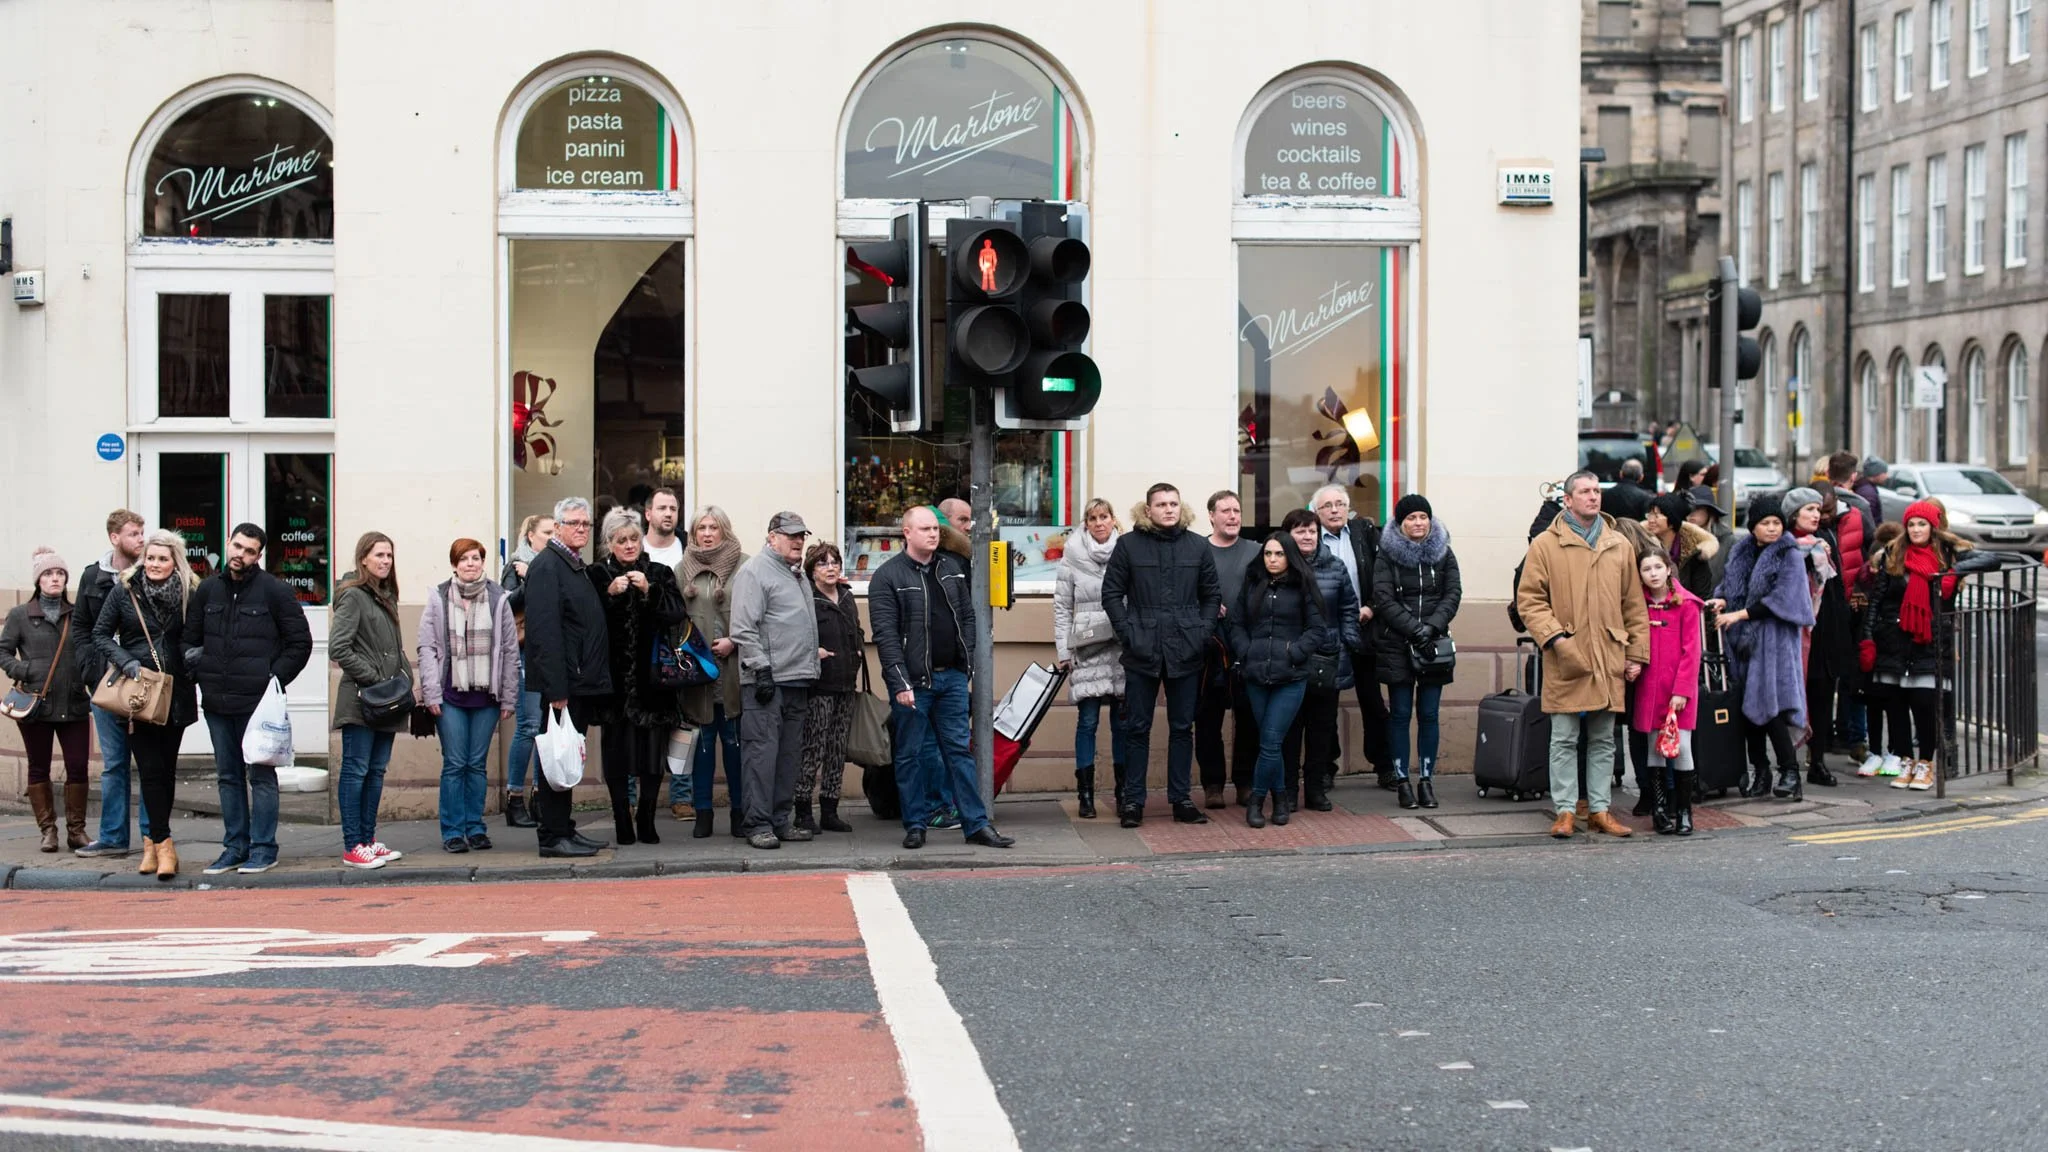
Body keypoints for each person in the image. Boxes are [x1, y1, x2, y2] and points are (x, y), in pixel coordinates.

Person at [869, 505, 1012, 849]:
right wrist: (900, 683)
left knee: (959, 753)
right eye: (924, 529)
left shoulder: (950, 569)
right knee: (911, 755)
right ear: (907, 532)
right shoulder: (888, 576)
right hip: (914, 684)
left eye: (935, 528)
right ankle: (916, 824)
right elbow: (886, 637)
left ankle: (975, 825)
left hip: (951, 679)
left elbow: (967, 617)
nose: (933, 534)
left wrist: (968, 667)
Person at [1515, 470, 1648, 839]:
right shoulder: (1545, 544)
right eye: (1585, 491)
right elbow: (1529, 600)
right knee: (1564, 739)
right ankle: (1565, 811)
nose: (1593, 496)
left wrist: (1636, 654)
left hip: (1608, 655)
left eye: (1596, 491)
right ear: (1568, 500)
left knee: (1605, 739)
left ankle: (1601, 810)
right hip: (1566, 655)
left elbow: (1634, 605)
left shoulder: (1619, 544)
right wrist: (1556, 639)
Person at [183, 523, 313, 875]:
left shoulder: (275, 591)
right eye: (237, 546)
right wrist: (200, 670)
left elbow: (300, 643)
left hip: (258, 704)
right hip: (217, 701)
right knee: (227, 777)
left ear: (259, 555)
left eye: (249, 550)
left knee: (261, 776)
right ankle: (234, 848)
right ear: (227, 543)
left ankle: (264, 848)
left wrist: (273, 678)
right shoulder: (207, 590)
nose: (240, 554)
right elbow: (188, 640)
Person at [1102, 483, 1222, 827]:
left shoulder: (1197, 546)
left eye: (1174, 503)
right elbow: (1111, 594)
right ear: (1148, 509)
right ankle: (1133, 801)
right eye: (1161, 504)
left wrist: (1201, 633)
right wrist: (1128, 633)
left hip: (1186, 649)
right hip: (1142, 649)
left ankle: (1181, 799)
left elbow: (1211, 595)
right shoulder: (1128, 545)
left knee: (1182, 727)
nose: (1169, 509)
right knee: (1137, 728)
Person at [91, 530, 199, 880]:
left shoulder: (190, 590)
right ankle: (165, 844)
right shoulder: (125, 590)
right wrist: (126, 661)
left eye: (162, 559)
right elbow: (100, 633)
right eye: (149, 558)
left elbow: (196, 635)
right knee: (150, 770)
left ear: (175, 561)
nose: (154, 564)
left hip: (176, 692)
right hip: (137, 693)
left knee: (166, 771)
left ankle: (153, 844)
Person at [1864, 500, 1985, 791]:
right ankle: (1906, 761)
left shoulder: (1947, 554)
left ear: (1933, 526)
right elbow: (1877, 601)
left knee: (1923, 704)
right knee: (1895, 707)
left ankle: (1925, 764)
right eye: (1912, 524)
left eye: (1922, 524)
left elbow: (1989, 559)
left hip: (1929, 642)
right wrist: (1867, 637)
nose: (1916, 529)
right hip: (1893, 641)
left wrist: (1950, 572)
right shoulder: (1894, 553)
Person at [521, 497, 613, 858]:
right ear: (556, 527)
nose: (581, 529)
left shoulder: (573, 564)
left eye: (585, 524)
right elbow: (544, 632)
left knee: (567, 756)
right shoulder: (548, 566)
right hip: (564, 685)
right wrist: (556, 688)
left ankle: (564, 829)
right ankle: (553, 835)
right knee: (555, 759)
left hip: (579, 681)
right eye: (573, 522)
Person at [1708, 494, 1816, 801]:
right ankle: (1761, 771)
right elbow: (1731, 585)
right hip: (1741, 641)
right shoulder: (1742, 551)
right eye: (1765, 523)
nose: (1772, 529)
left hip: (1774, 642)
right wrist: (1722, 599)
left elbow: (1786, 599)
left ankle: (1790, 773)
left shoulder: (1789, 554)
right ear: (1752, 526)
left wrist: (1739, 614)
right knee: (1746, 711)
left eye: (1776, 523)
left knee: (1771, 709)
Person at [590, 509, 686, 846]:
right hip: (613, 685)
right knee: (616, 756)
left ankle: (646, 819)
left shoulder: (658, 572)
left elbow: (677, 614)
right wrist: (610, 594)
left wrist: (650, 591)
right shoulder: (597, 574)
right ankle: (621, 820)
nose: (629, 545)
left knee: (651, 757)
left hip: (653, 682)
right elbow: (586, 622)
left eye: (633, 539)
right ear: (609, 544)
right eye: (621, 541)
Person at [419, 537, 521, 854]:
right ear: (454, 564)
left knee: (476, 765)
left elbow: (509, 650)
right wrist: (431, 692)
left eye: (475, 558)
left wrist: (509, 697)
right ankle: (452, 831)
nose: (470, 564)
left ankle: (475, 828)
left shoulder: (499, 599)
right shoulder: (438, 597)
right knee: (455, 764)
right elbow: (427, 648)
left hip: (486, 698)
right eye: (463, 559)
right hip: (450, 696)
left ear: (482, 562)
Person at [729, 511, 823, 850]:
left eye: (802, 536)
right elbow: (742, 627)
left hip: (796, 678)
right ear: (772, 537)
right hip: (767, 681)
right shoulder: (754, 572)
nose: (799, 541)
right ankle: (757, 824)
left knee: (788, 757)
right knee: (761, 756)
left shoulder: (794, 573)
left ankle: (780, 820)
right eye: (791, 535)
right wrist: (760, 669)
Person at [1226, 532, 1329, 828]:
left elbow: (1317, 629)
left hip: (1291, 676)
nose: (1272, 559)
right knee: (1269, 740)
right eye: (1268, 554)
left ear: (1290, 556)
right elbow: (1236, 624)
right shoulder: (1253, 582)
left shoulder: (1303, 585)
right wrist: (1247, 651)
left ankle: (1258, 801)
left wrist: (1295, 652)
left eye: (1279, 554)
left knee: (1271, 741)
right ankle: (1281, 797)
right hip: (1256, 675)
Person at [1373, 494, 1463, 811]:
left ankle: (1426, 781)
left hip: (1433, 647)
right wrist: (1414, 629)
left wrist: (1432, 627)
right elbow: (1383, 598)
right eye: (1411, 518)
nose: (1418, 523)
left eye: (1423, 517)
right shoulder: (1387, 554)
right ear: (1400, 523)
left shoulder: (1444, 553)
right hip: (1396, 645)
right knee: (1399, 714)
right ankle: (1402, 782)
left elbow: (1453, 592)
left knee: (1428, 715)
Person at [328, 533, 412, 869]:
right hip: (363, 699)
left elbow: (394, 647)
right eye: (379, 555)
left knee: (375, 771)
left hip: (388, 699)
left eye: (389, 555)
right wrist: (376, 678)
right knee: (356, 770)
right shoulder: (353, 596)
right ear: (363, 558)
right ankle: (352, 846)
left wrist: (404, 677)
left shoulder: (386, 595)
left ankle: (367, 839)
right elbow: (339, 648)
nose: (385, 561)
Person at [3, 548, 92, 852]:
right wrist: (24, 669)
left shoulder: (77, 612)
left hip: (74, 703)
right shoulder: (20, 615)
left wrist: (86, 676)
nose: (55, 578)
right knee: (38, 767)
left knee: (78, 767)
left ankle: (76, 831)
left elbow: (91, 646)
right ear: (38, 580)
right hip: (36, 706)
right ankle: (48, 831)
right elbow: (3, 651)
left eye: (60, 574)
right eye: (48, 574)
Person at [73, 510, 148, 858]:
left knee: (150, 761)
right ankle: (113, 837)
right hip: (105, 684)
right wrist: (91, 672)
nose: (141, 539)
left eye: (142, 532)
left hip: (142, 680)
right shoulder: (93, 576)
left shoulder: (152, 571)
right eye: (134, 533)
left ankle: (154, 836)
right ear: (115, 538)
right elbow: (81, 629)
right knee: (114, 764)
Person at [1311, 484, 1392, 787]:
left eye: (1339, 504)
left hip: (1363, 628)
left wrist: (1370, 607)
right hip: (1327, 634)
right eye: (1327, 506)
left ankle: (1384, 765)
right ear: (1316, 513)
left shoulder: (1365, 534)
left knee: (1372, 701)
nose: (1334, 510)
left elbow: (1382, 577)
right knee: (1325, 703)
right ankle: (1326, 767)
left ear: (1348, 507)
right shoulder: (1310, 539)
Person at [1054, 498, 1128, 820]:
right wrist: (1062, 651)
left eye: (1105, 516)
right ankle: (1085, 795)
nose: (1099, 523)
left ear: (1113, 519)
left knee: (1122, 725)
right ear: (1085, 523)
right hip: (1087, 646)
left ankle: (1123, 791)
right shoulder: (1071, 554)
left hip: (1121, 646)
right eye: (1093, 518)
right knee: (1087, 722)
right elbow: (1061, 607)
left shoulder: (1127, 551)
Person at [1280, 508, 1359, 813]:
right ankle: (1287, 791)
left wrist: (1346, 641)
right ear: (1288, 534)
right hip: (1291, 660)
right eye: (1300, 531)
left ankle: (1315, 790)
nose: (1308, 536)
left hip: (1328, 659)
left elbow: (1349, 608)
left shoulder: (1335, 566)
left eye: (1312, 531)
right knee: (1290, 729)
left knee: (1321, 729)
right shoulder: (1278, 565)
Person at [680, 505, 747, 839]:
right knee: (703, 749)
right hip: (698, 675)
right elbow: (676, 622)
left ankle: (739, 811)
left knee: (735, 749)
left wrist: (735, 641)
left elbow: (756, 616)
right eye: (700, 528)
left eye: (713, 527)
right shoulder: (683, 569)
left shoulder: (744, 566)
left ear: (725, 530)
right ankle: (702, 813)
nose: (706, 534)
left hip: (735, 672)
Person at [1196, 490, 1259, 808]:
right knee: (1207, 719)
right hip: (1208, 649)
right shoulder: (1197, 550)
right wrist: (1205, 607)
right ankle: (1213, 785)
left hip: (1246, 647)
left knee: (1248, 718)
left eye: (1237, 510)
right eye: (1225, 511)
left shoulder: (1256, 551)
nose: (1233, 516)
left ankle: (1245, 782)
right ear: (1211, 516)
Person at [1633, 550, 1704, 835]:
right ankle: (1660, 811)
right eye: (1646, 568)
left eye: (1658, 567)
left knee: (1681, 746)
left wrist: (1683, 690)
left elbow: (1692, 652)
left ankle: (1685, 811)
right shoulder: (1639, 605)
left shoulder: (1686, 604)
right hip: (1649, 687)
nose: (1653, 573)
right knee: (1655, 747)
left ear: (1668, 569)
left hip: (1678, 689)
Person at [797, 541, 862, 833]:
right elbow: (796, 636)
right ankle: (802, 810)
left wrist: (858, 650)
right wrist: (815, 652)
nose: (831, 567)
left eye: (834, 561)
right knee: (813, 748)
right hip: (819, 686)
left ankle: (830, 809)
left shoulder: (847, 597)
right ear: (812, 570)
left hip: (846, 684)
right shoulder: (807, 599)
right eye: (823, 563)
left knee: (837, 748)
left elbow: (857, 630)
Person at [498, 513, 554, 829]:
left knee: (547, 729)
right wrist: (531, 577)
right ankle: (514, 799)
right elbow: (504, 608)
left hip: (551, 655)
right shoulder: (516, 566)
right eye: (547, 532)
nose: (551, 536)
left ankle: (540, 797)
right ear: (530, 535)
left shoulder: (552, 564)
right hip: (524, 656)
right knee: (529, 726)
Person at [1644, 492, 1718, 601]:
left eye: (1657, 515)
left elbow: (1702, 595)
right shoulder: (1643, 544)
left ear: (1673, 520)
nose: (1651, 520)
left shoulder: (1695, 551)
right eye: (1649, 514)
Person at [1685, 486, 1736, 585]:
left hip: (1715, 597)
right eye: (1688, 508)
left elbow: (1734, 578)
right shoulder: (1679, 536)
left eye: (1697, 508)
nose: (1691, 513)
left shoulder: (1727, 540)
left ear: (1709, 511)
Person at [642, 487, 685, 570]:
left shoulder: (689, 547)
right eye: (662, 508)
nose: (668, 514)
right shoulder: (633, 549)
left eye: (673, 509)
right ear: (648, 515)